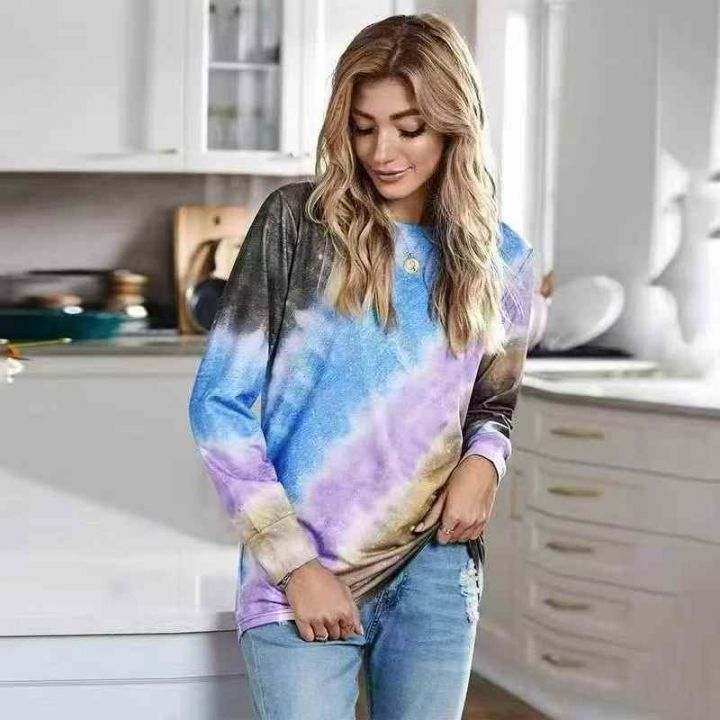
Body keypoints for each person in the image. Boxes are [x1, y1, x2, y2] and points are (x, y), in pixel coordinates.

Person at [188, 12, 535, 720]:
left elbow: (493, 405)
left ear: (454, 127)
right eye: (362, 127)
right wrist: (294, 564)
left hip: (436, 567)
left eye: (410, 128)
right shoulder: (296, 225)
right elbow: (219, 405)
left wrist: (486, 463)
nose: (382, 151)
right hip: (302, 572)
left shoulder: (503, 258)